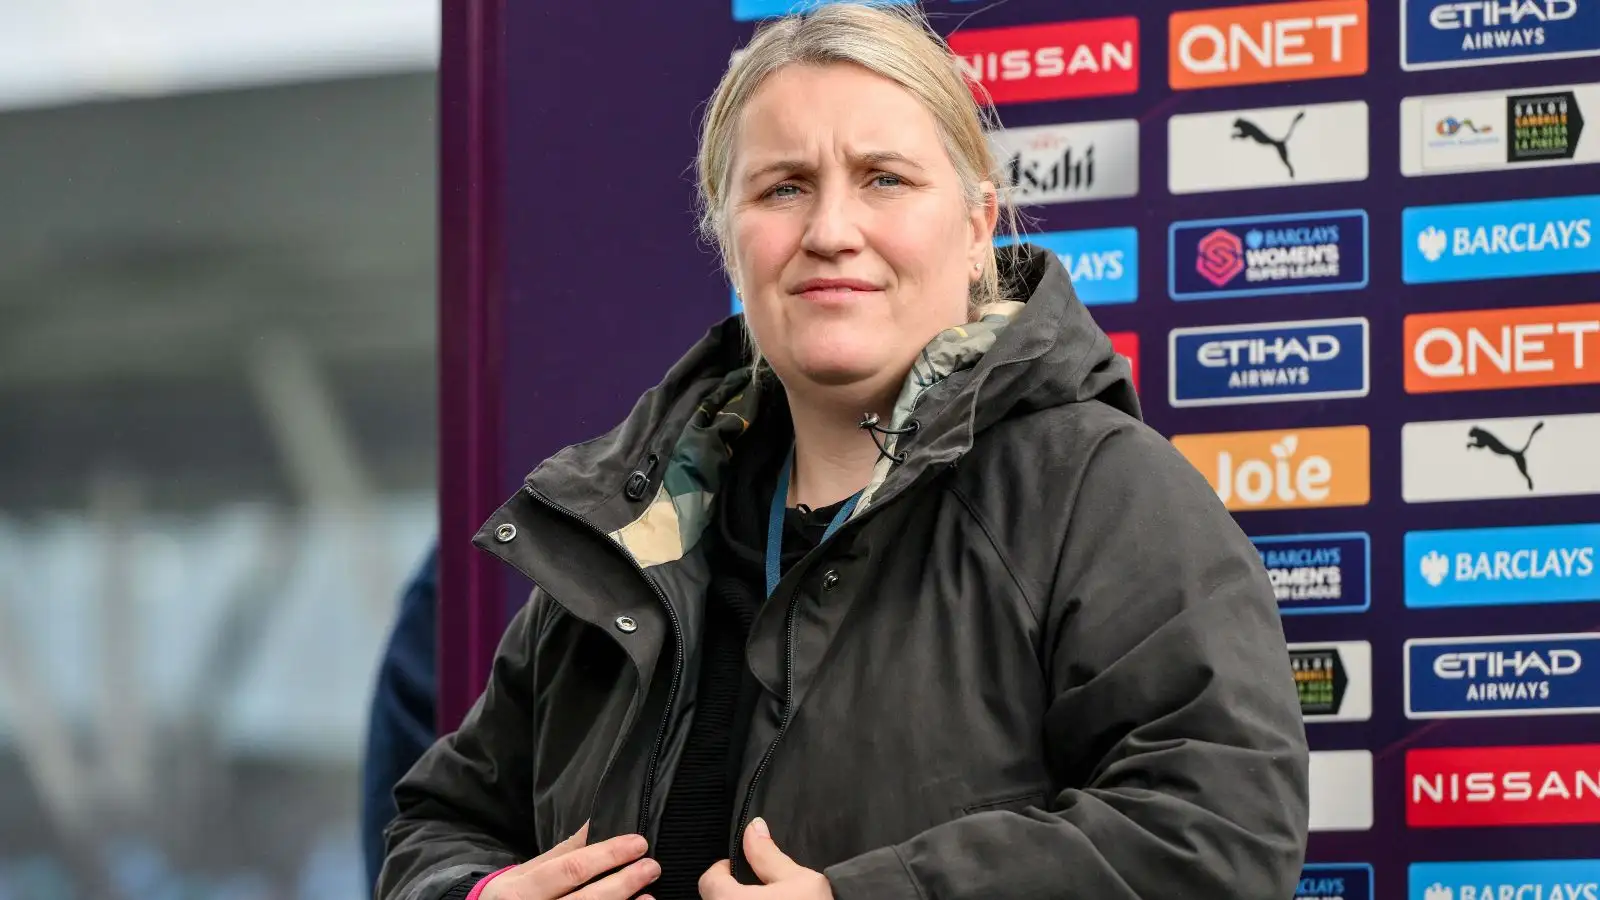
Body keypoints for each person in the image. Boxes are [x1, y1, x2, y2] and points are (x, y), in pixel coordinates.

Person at [377, 4, 1311, 900]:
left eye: (885, 179)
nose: (830, 232)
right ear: (727, 236)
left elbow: (1216, 836)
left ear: (979, 226)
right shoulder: (636, 524)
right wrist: (481, 893)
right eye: (783, 187)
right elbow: (439, 821)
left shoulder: (1101, 494)